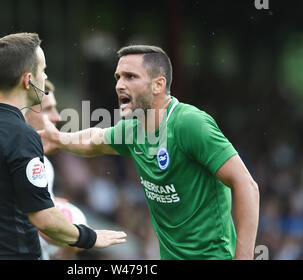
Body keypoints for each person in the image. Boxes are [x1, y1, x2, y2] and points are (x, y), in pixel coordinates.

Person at [38, 45, 260, 260]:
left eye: (130, 77)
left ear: (158, 85)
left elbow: (247, 185)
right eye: (118, 77)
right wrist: (59, 139)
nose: (119, 85)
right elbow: (94, 141)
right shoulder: (134, 130)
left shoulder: (189, 123)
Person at [0, 33, 126, 260]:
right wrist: (91, 237)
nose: (46, 76)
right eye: (43, 70)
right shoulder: (21, 134)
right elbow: (44, 219)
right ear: (28, 80)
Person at [25, 80, 88, 260]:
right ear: (25, 114)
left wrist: (50, 205)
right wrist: (75, 237)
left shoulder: (42, 162)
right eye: (48, 109)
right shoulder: (19, 161)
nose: (57, 117)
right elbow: (43, 225)